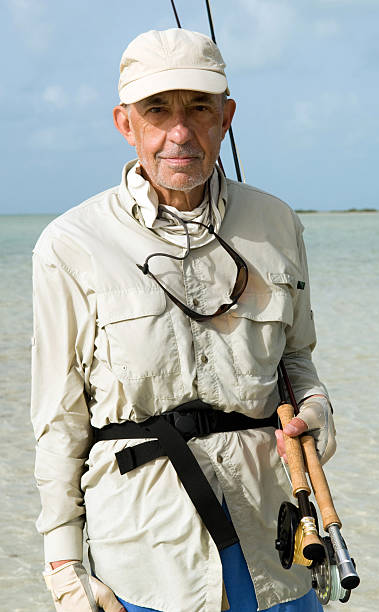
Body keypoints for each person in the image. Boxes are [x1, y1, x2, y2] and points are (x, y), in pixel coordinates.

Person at [31, 28, 336, 612]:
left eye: (199, 107)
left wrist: (318, 415)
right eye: (157, 110)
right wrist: (66, 568)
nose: (180, 132)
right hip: (145, 551)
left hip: (277, 539)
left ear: (227, 117)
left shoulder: (277, 222)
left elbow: (296, 360)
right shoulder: (70, 243)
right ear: (126, 123)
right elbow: (57, 417)